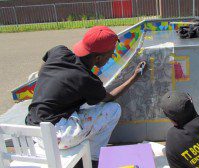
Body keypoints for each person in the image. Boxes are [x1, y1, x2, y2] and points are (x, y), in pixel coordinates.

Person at [25, 26, 146, 161]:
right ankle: (94, 158)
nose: (111, 58)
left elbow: (43, 67)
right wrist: (134, 78)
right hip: (57, 136)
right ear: (99, 58)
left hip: (33, 128)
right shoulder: (86, 79)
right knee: (113, 109)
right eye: (111, 55)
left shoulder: (59, 51)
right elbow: (109, 97)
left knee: (86, 105)